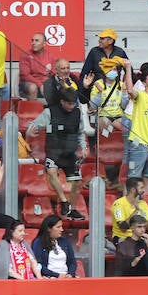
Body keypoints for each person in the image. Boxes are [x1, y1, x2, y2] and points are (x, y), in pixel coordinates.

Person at [25, 81, 88, 220]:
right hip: (54, 152)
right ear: (62, 101)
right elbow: (33, 126)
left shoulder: (77, 113)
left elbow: (80, 133)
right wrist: (31, 132)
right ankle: (63, 201)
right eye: (69, 104)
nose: (72, 106)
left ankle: (71, 209)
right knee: (52, 171)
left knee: (77, 182)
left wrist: (84, 147)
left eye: (73, 104)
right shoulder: (50, 112)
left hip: (70, 154)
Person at [30, 215, 77, 279]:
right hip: (48, 278)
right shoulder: (38, 242)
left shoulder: (65, 241)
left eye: (61, 227)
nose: (62, 229)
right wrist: (57, 275)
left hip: (66, 277)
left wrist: (70, 274)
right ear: (49, 229)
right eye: (58, 227)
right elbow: (38, 264)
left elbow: (72, 261)